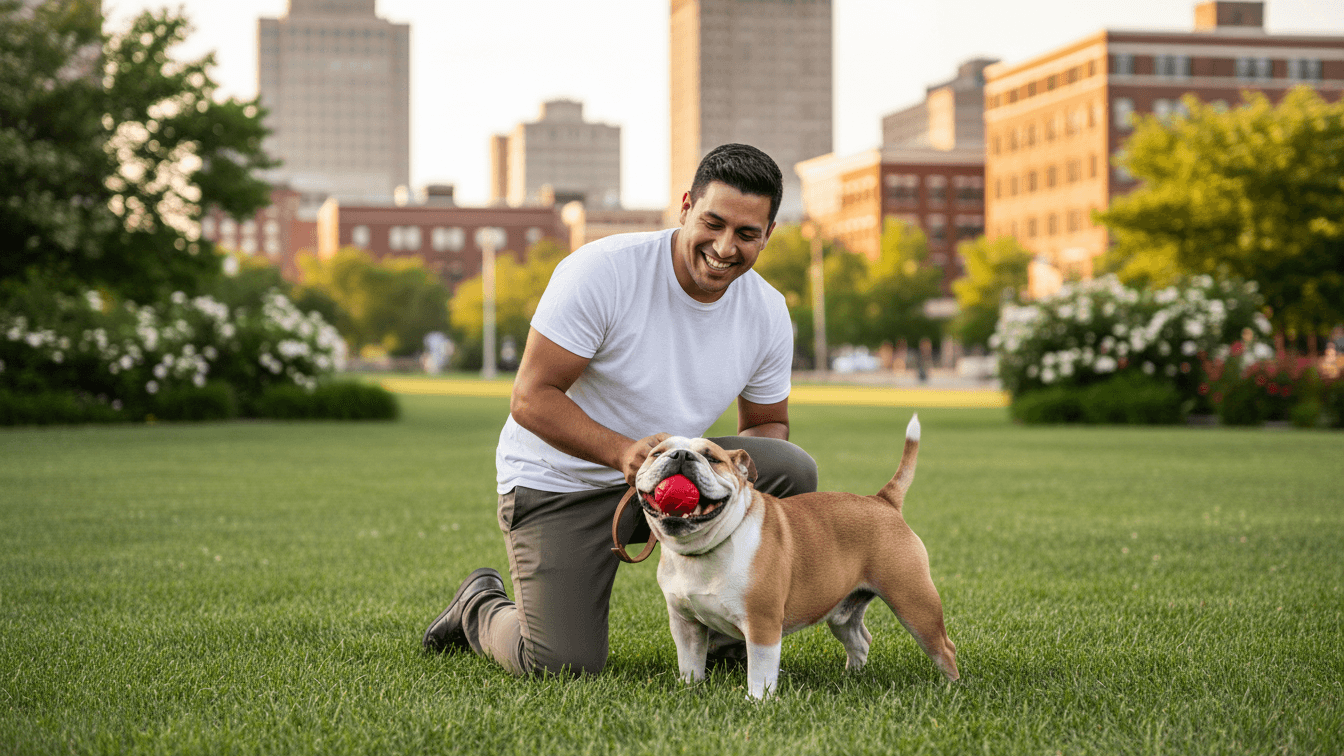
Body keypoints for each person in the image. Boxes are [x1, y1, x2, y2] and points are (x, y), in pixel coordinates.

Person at [422, 143, 818, 676]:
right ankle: (479, 605)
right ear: (686, 207)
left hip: (673, 478)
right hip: (559, 484)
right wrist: (623, 454)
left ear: (767, 234)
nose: (725, 247)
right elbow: (531, 397)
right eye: (713, 223)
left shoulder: (766, 310)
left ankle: (729, 640)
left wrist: (717, 491)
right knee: (562, 665)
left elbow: (768, 425)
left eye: (746, 234)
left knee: (790, 468)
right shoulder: (604, 270)